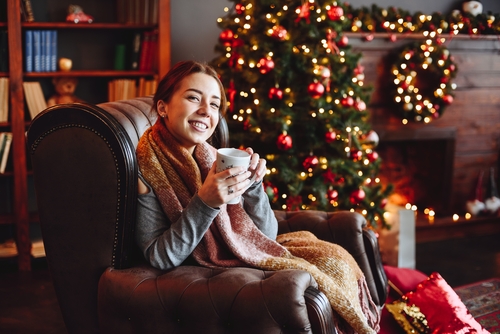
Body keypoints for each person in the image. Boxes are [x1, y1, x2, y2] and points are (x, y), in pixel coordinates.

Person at [135, 60, 380, 333]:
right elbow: (159, 256)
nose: (206, 111)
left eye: (215, 104)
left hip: (239, 254)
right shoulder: (147, 168)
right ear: (163, 107)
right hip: (206, 273)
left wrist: (253, 186)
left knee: (334, 258)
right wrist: (206, 202)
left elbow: (266, 234)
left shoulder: (211, 158)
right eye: (194, 98)